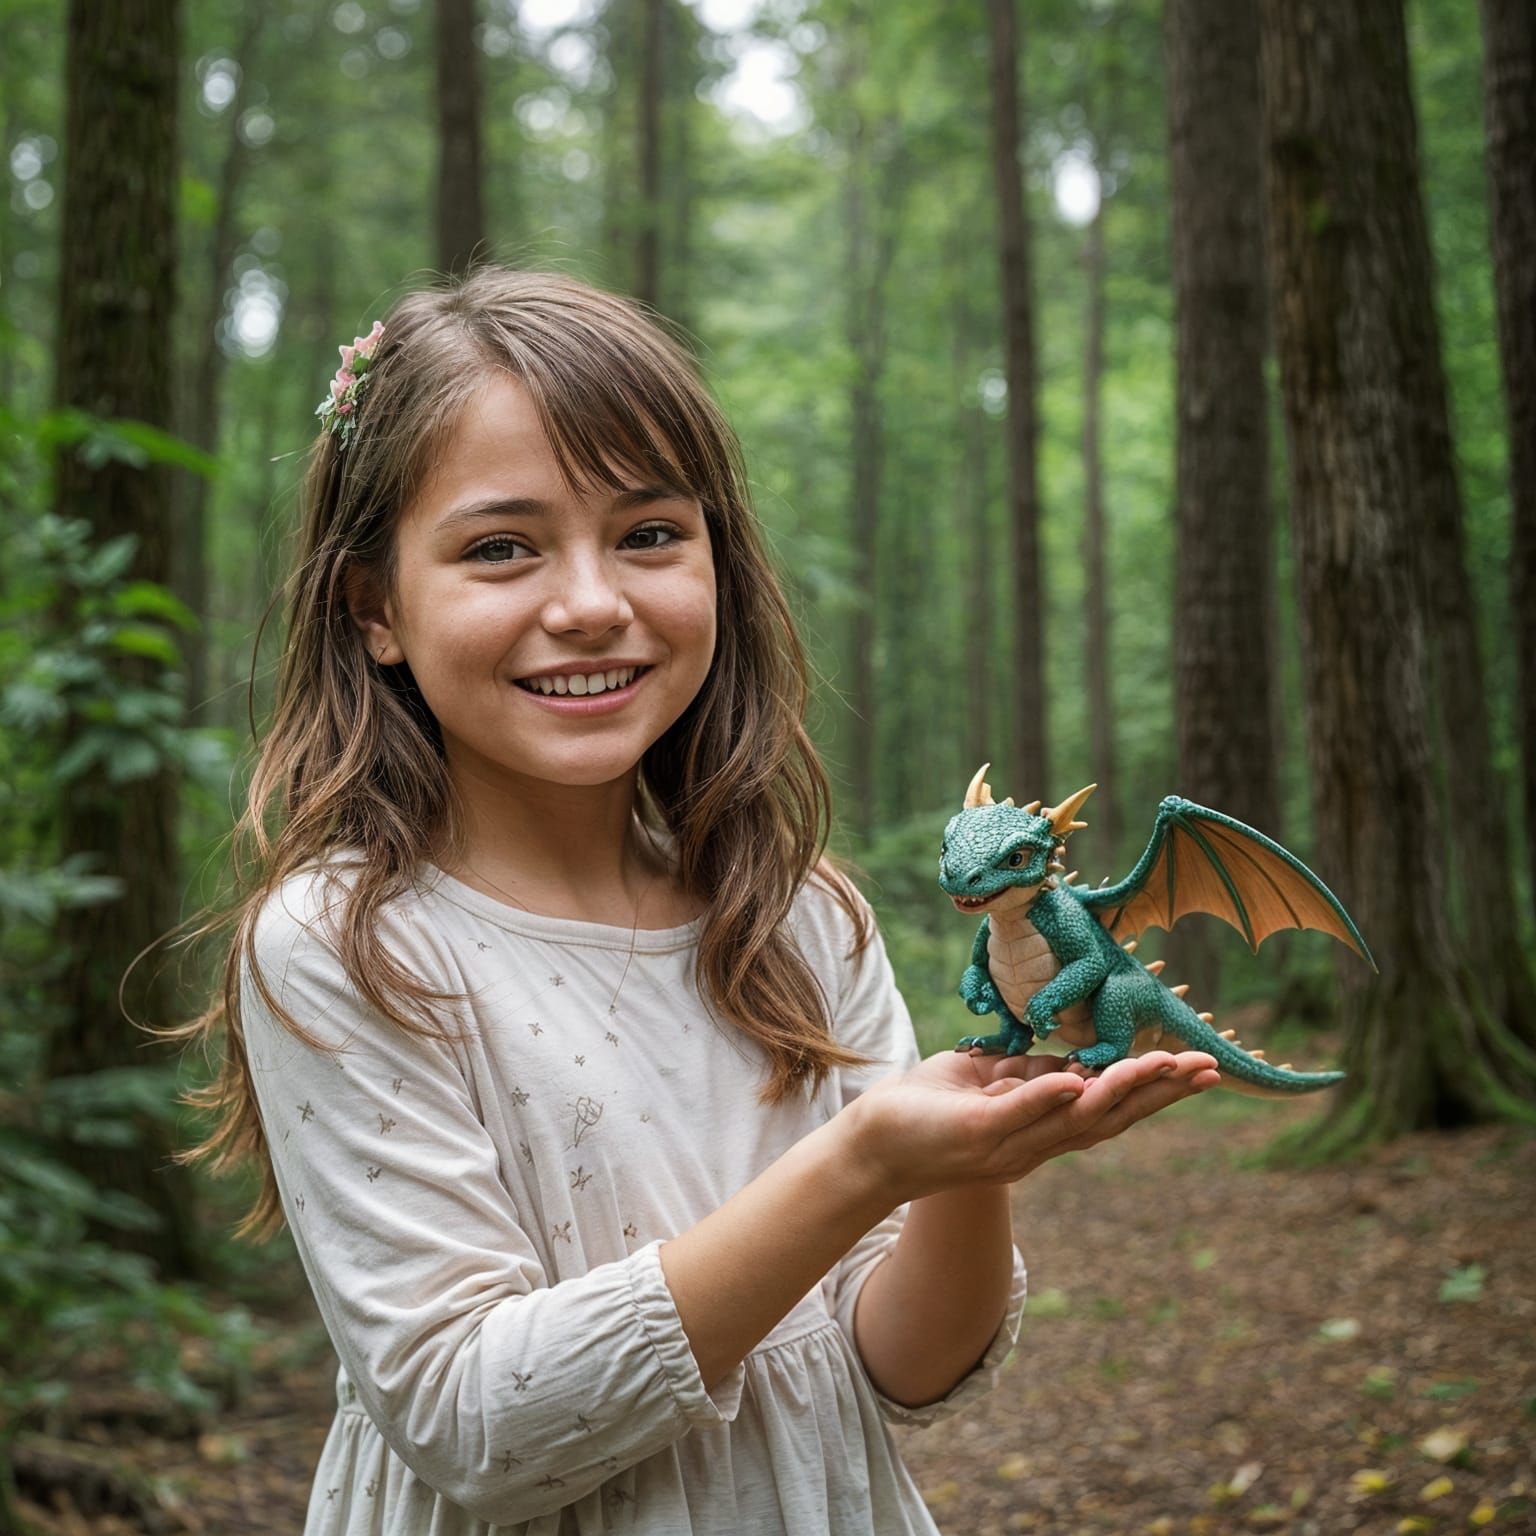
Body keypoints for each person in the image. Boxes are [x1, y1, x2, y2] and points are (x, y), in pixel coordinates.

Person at [167, 265, 1220, 1536]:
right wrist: (863, 1160)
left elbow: (907, 1367)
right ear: (375, 606)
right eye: (501, 548)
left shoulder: (797, 916)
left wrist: (965, 1161)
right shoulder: (348, 946)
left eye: (650, 533)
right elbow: (473, 1429)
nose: (592, 604)